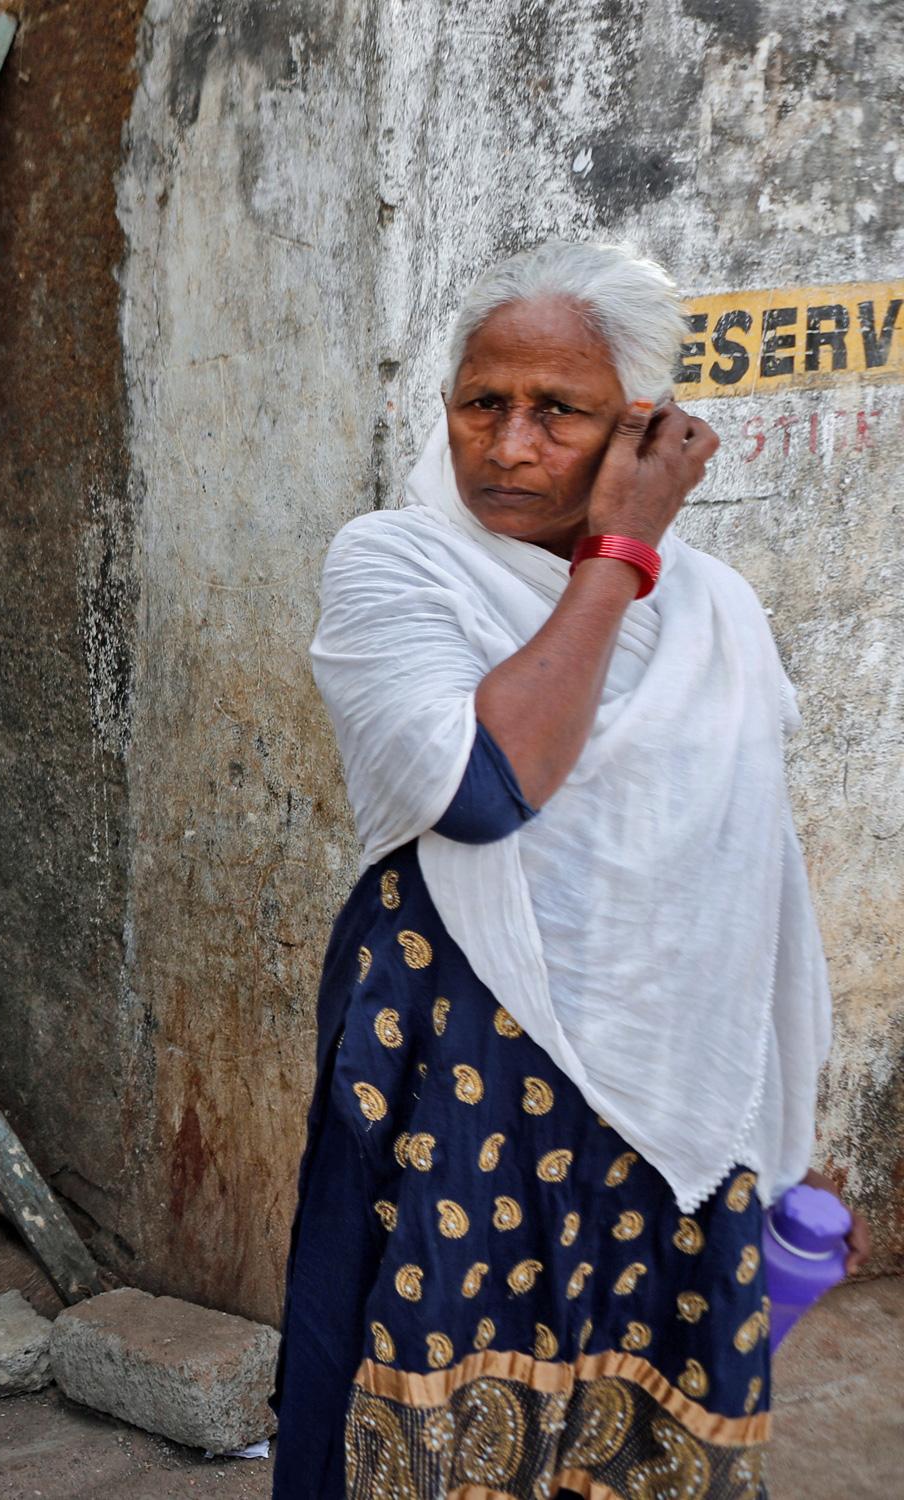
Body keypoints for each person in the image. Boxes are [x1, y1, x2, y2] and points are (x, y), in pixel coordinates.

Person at [271, 241, 869, 1498]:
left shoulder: (718, 615)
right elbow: (485, 791)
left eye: (560, 411)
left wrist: (785, 1110)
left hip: (671, 1092)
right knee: (415, 1380)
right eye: (482, 402)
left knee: (632, 1395)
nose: (507, 444)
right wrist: (615, 562)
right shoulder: (393, 561)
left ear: (638, 430)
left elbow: (752, 872)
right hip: (455, 1059)